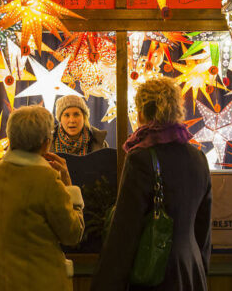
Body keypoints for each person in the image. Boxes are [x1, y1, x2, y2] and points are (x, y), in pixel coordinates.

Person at [90, 77, 212, 291]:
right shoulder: (198, 157)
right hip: (191, 272)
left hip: (155, 274)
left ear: (142, 112)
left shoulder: (142, 158)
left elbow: (125, 231)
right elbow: (203, 228)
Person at [0, 105, 84, 291]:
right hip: (41, 280)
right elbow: (72, 233)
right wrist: (69, 187)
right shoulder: (46, 179)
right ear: (46, 143)